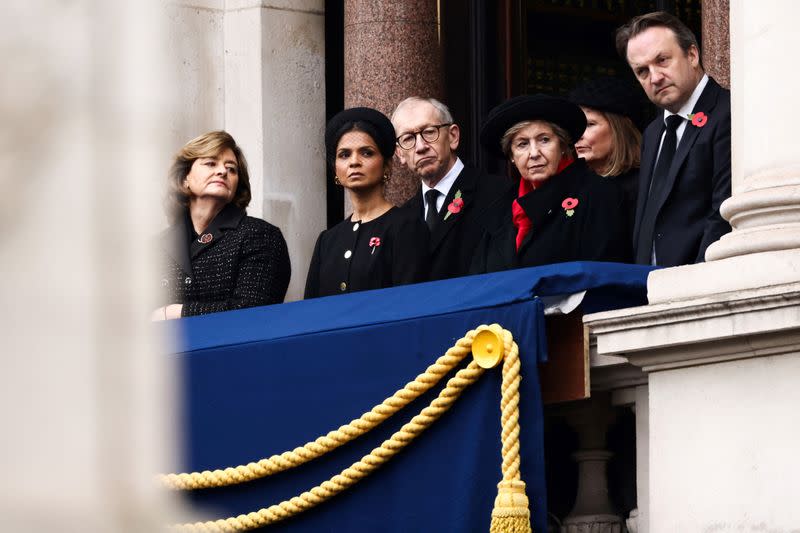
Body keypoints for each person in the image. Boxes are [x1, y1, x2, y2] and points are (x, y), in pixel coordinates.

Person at [616, 11, 731, 267]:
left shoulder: (728, 112)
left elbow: (723, 210)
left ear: (692, 55)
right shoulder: (653, 132)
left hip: (702, 284)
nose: (655, 77)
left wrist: (697, 279)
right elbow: (646, 222)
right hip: (653, 289)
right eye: (642, 71)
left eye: (663, 60)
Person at [471, 94, 631, 273]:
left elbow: (605, 274)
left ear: (563, 146)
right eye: (522, 144)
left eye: (544, 140)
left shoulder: (598, 195)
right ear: (512, 157)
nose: (534, 153)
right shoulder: (500, 209)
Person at [154, 130, 290, 320]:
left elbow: (252, 310)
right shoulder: (154, 246)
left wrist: (176, 312)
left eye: (231, 169)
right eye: (210, 163)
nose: (222, 171)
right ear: (185, 178)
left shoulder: (260, 235)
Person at [304, 107, 429, 298]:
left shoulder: (406, 226)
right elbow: (310, 311)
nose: (354, 162)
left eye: (366, 153)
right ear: (336, 170)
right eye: (344, 155)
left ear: (387, 165)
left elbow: (411, 305)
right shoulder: (327, 241)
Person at [391, 97, 514, 281]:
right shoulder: (402, 218)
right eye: (408, 138)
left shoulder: (499, 194)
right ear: (400, 153)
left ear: (453, 136)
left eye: (429, 132)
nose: (421, 147)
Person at [568, 76, 643, 225]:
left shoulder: (642, 186)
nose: (578, 134)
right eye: (575, 125)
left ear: (620, 129)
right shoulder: (573, 184)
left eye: (589, 124)